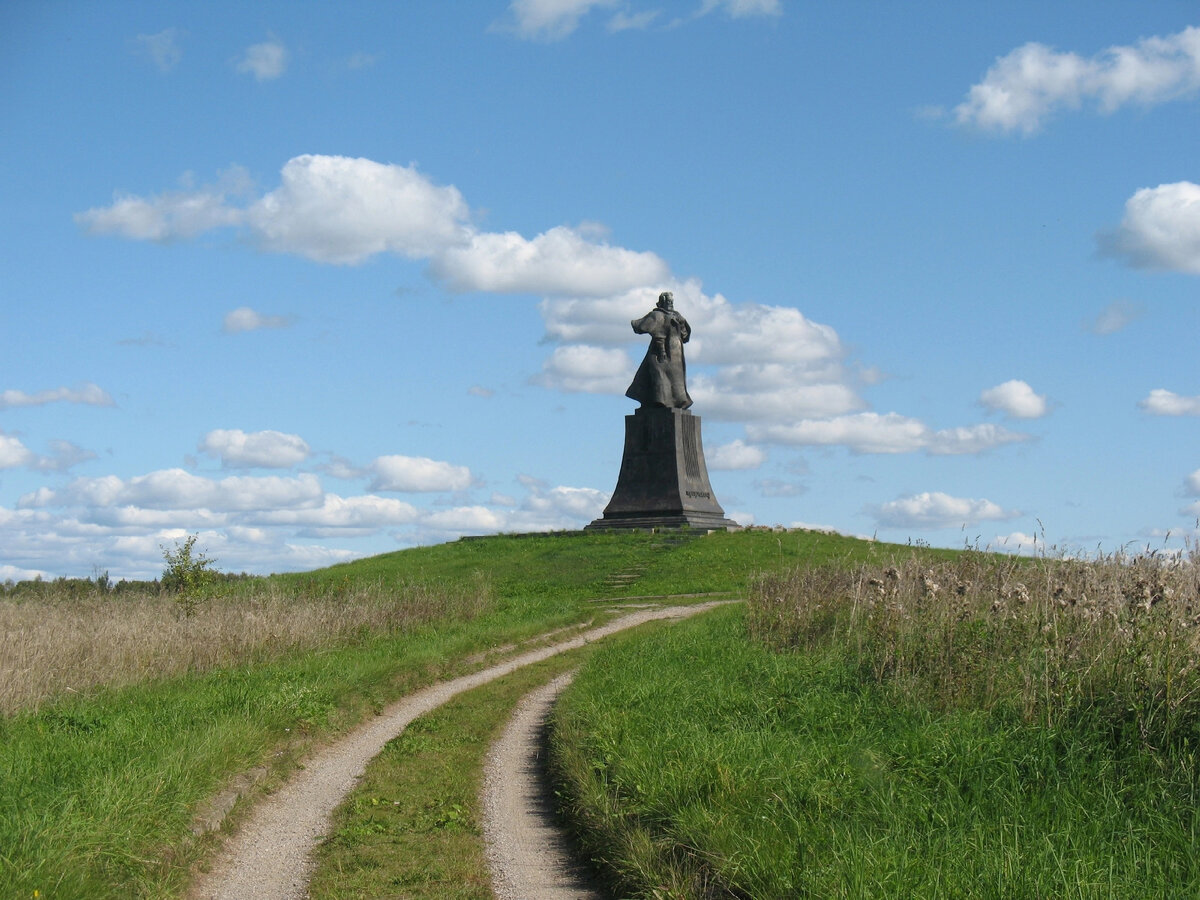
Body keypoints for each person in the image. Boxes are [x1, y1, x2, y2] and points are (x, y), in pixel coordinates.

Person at [625, 291, 693, 409]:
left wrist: (681, 324)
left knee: (674, 378)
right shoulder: (659, 315)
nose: (670, 303)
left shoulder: (675, 316)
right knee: (660, 376)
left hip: (672, 351)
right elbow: (641, 327)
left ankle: (674, 402)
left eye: (671, 301)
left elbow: (685, 336)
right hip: (665, 351)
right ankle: (659, 402)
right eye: (668, 301)